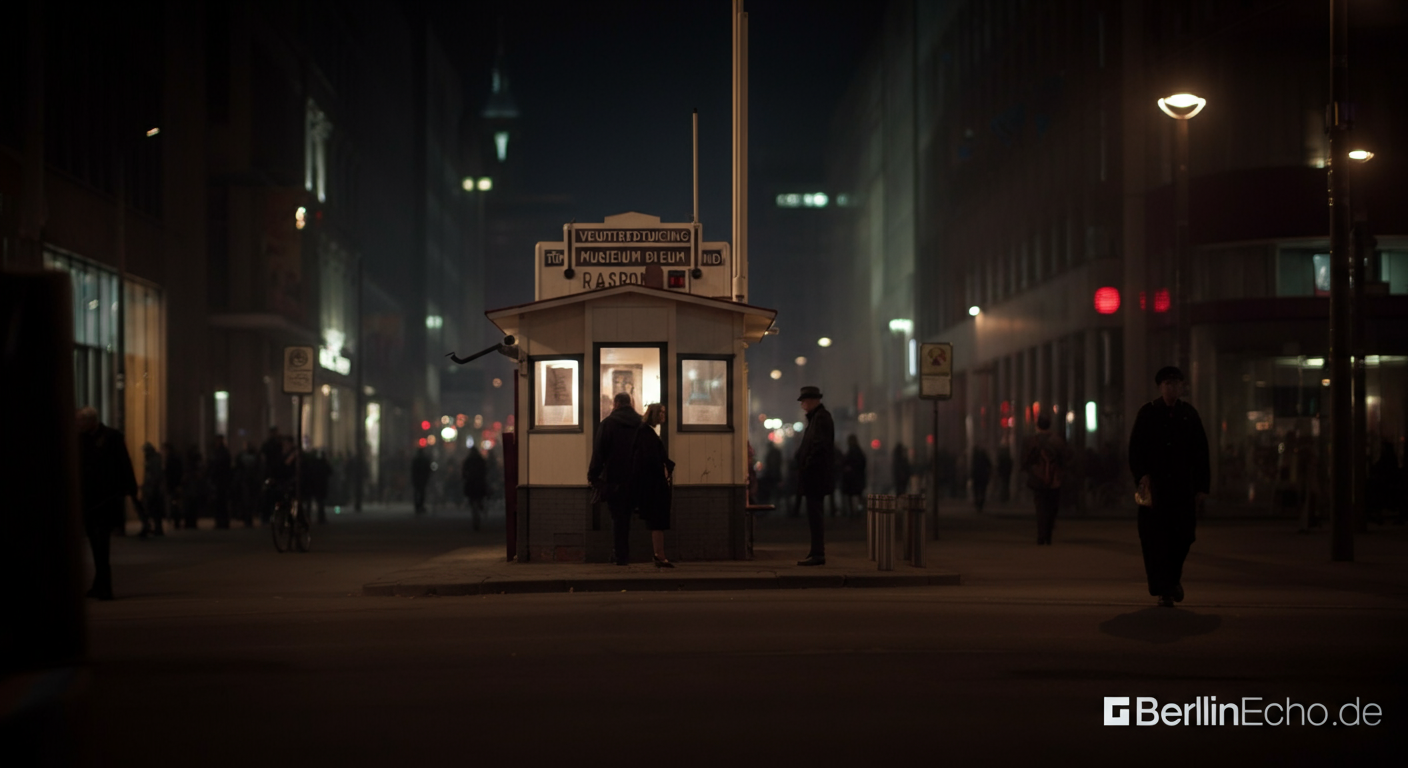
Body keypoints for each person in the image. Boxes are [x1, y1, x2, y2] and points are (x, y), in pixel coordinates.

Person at [1129, 366, 1210, 608]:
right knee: (1155, 539)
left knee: (1184, 536)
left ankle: (1172, 580)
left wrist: (1201, 486)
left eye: (1175, 383)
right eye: (1167, 383)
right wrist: (1141, 475)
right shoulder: (1148, 413)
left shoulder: (1188, 414)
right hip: (1156, 490)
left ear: (1182, 387)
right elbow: (1135, 448)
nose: (1171, 387)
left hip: (1182, 488)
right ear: (1159, 387)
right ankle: (1163, 587)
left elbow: (1201, 452)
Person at [76, 407, 139, 600]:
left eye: (81, 422)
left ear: (91, 421)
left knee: (101, 543)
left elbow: (124, 462)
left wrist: (130, 488)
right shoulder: (82, 439)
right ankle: (99, 584)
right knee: (96, 544)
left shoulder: (111, 437)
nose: (79, 426)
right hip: (90, 500)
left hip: (105, 498)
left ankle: (104, 585)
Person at [588, 392, 644, 565]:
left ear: (616, 404)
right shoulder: (641, 424)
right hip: (637, 478)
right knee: (633, 515)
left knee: (618, 518)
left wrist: (593, 475)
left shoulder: (608, 424)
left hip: (614, 479)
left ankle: (621, 555)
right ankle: (642, 553)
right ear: (630, 404)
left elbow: (599, 452)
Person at [795, 386, 834, 566]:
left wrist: (807, 464)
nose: (802, 405)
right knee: (814, 516)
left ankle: (818, 554)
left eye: (803, 401)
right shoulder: (816, 418)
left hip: (815, 476)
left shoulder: (821, 418)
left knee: (815, 515)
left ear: (811, 401)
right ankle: (815, 551)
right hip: (814, 475)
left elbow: (818, 446)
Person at [634, 403, 677, 567]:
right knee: (657, 520)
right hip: (654, 485)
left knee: (657, 520)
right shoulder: (647, 434)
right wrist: (664, 468)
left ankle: (660, 554)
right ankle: (659, 555)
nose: (663, 415)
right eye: (661, 412)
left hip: (653, 483)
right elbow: (650, 459)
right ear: (654, 414)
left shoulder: (646, 432)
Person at [1023, 413, 1067, 544]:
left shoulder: (1031, 441)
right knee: (1052, 506)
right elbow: (1063, 460)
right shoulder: (1057, 441)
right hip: (1054, 479)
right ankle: (1048, 534)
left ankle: (1041, 535)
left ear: (1037, 425)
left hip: (1038, 479)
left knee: (1040, 507)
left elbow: (1025, 461)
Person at [139, 443, 165, 537]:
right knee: (152, 509)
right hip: (151, 488)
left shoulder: (154, 460)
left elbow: (155, 475)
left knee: (153, 509)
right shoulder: (152, 459)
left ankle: (153, 527)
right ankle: (152, 527)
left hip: (153, 489)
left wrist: (152, 487)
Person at [208, 435, 232, 529]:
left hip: (220, 481)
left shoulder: (220, 453)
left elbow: (216, 467)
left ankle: (221, 522)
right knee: (221, 503)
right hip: (221, 481)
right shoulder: (221, 452)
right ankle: (222, 522)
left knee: (220, 503)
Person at [841, 434, 867, 517]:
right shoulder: (859, 451)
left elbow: (846, 462)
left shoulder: (851, 451)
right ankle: (859, 510)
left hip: (852, 478)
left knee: (851, 497)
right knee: (859, 496)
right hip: (858, 478)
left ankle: (853, 512)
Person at [462, 446, 487, 530]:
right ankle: (480, 506)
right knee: (479, 498)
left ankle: (476, 514)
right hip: (479, 483)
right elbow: (485, 470)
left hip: (471, 483)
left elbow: (464, 471)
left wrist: (465, 478)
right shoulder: (480, 459)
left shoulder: (468, 460)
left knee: (472, 500)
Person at [162, 442, 184, 529]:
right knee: (175, 503)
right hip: (175, 484)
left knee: (174, 503)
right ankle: (176, 521)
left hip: (173, 484)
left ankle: (176, 521)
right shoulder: (175, 458)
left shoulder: (171, 459)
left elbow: (171, 473)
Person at [971, 445, 993, 513]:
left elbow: (972, 468)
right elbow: (990, 466)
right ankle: (980, 504)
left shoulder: (975, 457)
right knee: (982, 491)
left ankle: (977, 503)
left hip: (977, 476)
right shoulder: (984, 457)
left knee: (976, 491)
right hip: (983, 476)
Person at [411, 448, 432, 514]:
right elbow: (428, 469)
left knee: (417, 492)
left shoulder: (415, 460)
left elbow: (413, 470)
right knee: (422, 492)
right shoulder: (425, 460)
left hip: (417, 479)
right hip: (423, 479)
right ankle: (421, 506)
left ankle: (417, 506)